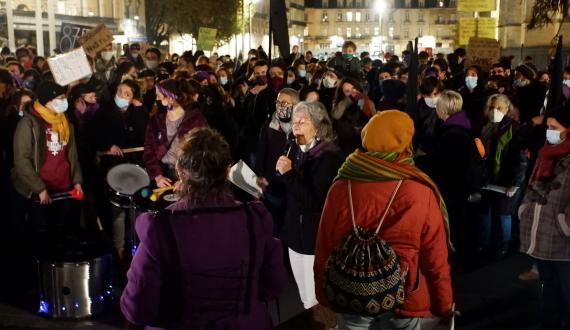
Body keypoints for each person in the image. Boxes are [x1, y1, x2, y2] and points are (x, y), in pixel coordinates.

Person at [121, 127, 288, 329]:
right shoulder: (254, 219)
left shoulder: (160, 229)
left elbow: (137, 308)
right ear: (227, 170)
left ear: (180, 171)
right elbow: (274, 285)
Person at [314, 110, 453, 329]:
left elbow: (324, 245)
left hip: (351, 293)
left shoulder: (341, 186)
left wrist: (323, 297)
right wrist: (444, 304)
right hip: (406, 296)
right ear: (405, 143)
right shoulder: (419, 190)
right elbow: (435, 258)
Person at [275, 101, 341, 309]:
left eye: (303, 121)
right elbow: (291, 191)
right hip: (295, 233)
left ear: (318, 126)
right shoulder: (294, 147)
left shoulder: (328, 156)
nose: (296, 125)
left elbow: (314, 201)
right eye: (295, 121)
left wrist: (290, 173)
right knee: (305, 296)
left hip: (314, 236)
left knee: (316, 298)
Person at [519, 110, 570, 330]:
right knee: (548, 288)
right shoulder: (544, 154)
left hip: (562, 241)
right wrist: (524, 210)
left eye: (554, 128)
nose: (549, 132)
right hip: (541, 234)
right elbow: (531, 186)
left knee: (567, 293)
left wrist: (565, 224)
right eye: (547, 127)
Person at [11, 81, 83, 234]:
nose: (64, 102)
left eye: (64, 98)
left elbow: (72, 154)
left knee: (64, 231)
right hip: (41, 191)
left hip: (64, 187)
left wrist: (76, 180)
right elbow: (21, 160)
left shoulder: (65, 123)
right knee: (43, 233)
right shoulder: (28, 124)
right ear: (47, 101)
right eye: (60, 98)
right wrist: (39, 188)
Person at [424, 90, 484, 256]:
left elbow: (447, 164)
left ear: (442, 109)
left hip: (453, 189)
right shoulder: (463, 126)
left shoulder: (452, 134)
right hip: (461, 187)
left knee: (454, 224)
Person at [478, 94, 528, 257]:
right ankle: (484, 244)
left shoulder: (514, 129)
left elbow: (520, 160)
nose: (494, 111)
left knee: (503, 215)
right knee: (485, 213)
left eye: (499, 108)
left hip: (507, 180)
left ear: (507, 109)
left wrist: (515, 184)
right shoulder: (485, 127)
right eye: (492, 107)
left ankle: (503, 246)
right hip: (488, 179)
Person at [143, 78, 208, 188]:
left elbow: (203, 153)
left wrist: (187, 179)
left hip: (187, 176)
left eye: (159, 96)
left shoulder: (196, 120)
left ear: (170, 98)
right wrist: (157, 176)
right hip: (162, 174)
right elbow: (148, 149)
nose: (156, 99)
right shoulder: (156, 120)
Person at [255, 88, 300, 236]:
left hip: (291, 184)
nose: (280, 106)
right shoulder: (269, 125)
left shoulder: (301, 127)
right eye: (278, 102)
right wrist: (260, 176)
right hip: (271, 183)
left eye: (285, 103)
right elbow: (261, 152)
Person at [331, 77, 375, 157]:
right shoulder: (341, 104)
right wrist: (348, 100)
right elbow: (336, 115)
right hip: (344, 146)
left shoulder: (367, 102)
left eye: (354, 88)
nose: (352, 92)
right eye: (347, 91)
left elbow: (374, 120)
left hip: (362, 145)